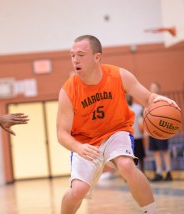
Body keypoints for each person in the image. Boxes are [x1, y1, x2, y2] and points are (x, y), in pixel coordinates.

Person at [56, 35, 179, 214]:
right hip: (85, 141)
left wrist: (161, 99)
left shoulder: (119, 75)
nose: (75, 60)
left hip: (116, 131)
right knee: (78, 191)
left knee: (127, 165)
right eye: (72, 55)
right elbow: (62, 133)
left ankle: (151, 211)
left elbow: (147, 98)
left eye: (81, 55)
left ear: (97, 57)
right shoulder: (68, 91)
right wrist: (78, 147)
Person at [148, 82, 173, 182]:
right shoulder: (148, 101)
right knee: (156, 152)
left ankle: (168, 172)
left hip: (162, 130)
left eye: (154, 87)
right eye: (151, 87)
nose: (152, 89)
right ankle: (159, 173)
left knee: (165, 151)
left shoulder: (163, 100)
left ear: (159, 88)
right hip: (151, 131)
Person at [127, 94, 146, 173]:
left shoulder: (138, 108)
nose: (129, 98)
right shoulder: (124, 108)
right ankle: (130, 173)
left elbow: (143, 119)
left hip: (138, 136)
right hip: (128, 137)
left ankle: (143, 172)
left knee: (140, 156)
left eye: (130, 97)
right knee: (130, 157)